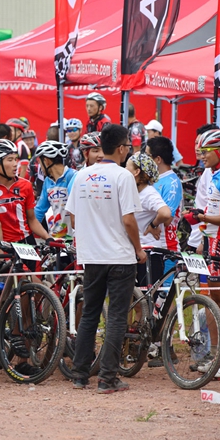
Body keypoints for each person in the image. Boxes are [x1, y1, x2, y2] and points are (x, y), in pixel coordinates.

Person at [66, 124, 145, 393]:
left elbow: (74, 218)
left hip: (92, 256)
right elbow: (129, 220)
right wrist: (139, 249)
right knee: (116, 317)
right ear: (122, 148)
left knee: (89, 313)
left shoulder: (82, 176)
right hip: (120, 256)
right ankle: (107, 377)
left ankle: (79, 374)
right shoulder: (123, 177)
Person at [192, 129, 220, 379]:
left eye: (206, 152)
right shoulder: (217, 174)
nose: (201, 156)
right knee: (215, 300)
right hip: (214, 242)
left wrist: (203, 217)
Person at [127, 152, 171, 287]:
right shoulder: (133, 191)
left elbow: (165, 213)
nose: (124, 170)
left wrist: (153, 224)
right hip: (134, 252)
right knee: (135, 300)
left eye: (127, 167)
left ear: (136, 172)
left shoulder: (148, 193)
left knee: (147, 300)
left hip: (149, 254)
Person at [33, 141, 77, 240]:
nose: (40, 166)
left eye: (40, 162)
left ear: (46, 161)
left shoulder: (73, 176)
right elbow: (39, 211)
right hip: (56, 239)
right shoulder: (47, 182)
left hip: (75, 238)